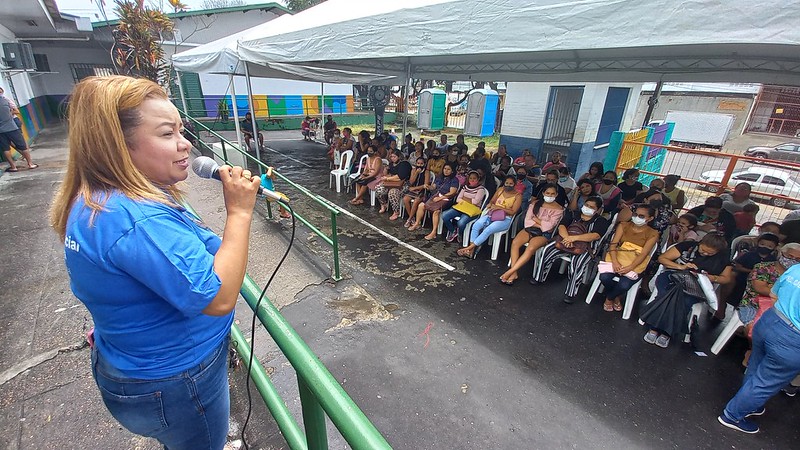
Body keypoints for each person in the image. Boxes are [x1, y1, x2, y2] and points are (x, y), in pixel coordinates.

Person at [49, 76, 258, 449]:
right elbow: (219, 297)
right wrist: (239, 214)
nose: (185, 144)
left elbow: (191, 243)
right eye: (167, 134)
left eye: (181, 130)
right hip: (177, 380)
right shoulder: (138, 219)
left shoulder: (100, 198)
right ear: (117, 144)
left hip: (130, 368)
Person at [718, 262, 800, 434]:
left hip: (769, 321)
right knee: (766, 381)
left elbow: (773, 294)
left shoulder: (796, 269)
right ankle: (732, 415)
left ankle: (751, 405)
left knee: (756, 366)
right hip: (792, 338)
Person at [641, 233, 733, 348]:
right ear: (701, 243)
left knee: (686, 301)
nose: (705, 254)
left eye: (710, 253)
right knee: (667, 294)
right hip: (673, 276)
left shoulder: (722, 259)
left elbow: (726, 278)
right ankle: (659, 330)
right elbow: (662, 258)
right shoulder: (687, 246)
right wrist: (681, 267)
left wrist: (712, 277)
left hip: (696, 286)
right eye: (703, 250)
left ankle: (661, 331)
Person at [530, 196, 609, 303]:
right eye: (586, 205)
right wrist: (567, 238)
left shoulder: (600, 221)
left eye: (591, 207)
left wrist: (574, 238)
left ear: (598, 210)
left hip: (585, 247)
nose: (587, 208)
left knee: (578, 264)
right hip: (564, 240)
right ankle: (538, 277)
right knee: (547, 250)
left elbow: (595, 236)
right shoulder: (573, 214)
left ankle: (570, 293)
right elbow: (561, 226)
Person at [736, 244, 800, 366]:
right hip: (752, 304)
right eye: (790, 257)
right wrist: (786, 292)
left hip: (779, 310)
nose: (793, 261)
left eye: (798, 260)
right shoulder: (762, 267)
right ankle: (753, 351)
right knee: (753, 328)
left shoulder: (795, 275)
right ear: (781, 253)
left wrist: (775, 290)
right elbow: (760, 288)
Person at [499, 184, 565, 285]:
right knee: (515, 243)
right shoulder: (535, 204)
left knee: (530, 248)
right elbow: (527, 221)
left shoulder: (559, 209)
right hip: (530, 229)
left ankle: (510, 272)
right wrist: (541, 222)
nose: (550, 195)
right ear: (543, 193)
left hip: (544, 234)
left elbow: (550, 227)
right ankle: (514, 272)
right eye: (547, 193)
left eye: (552, 194)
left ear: (556, 195)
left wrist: (536, 219)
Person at [598, 205, 659, 312]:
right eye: (635, 214)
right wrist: (615, 262)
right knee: (605, 278)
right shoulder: (623, 225)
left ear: (650, 218)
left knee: (624, 285)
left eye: (641, 216)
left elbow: (644, 254)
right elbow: (613, 245)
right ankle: (616, 297)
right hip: (617, 257)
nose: (636, 217)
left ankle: (609, 298)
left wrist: (629, 267)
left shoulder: (653, 234)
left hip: (635, 262)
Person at [457, 176, 522, 259]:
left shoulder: (518, 196)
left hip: (505, 218)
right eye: (507, 183)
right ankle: (471, 252)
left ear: (514, 185)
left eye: (511, 184)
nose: (508, 185)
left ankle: (469, 248)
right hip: (492, 214)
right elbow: (492, 201)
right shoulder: (500, 190)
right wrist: (490, 204)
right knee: (476, 225)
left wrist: (500, 208)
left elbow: (513, 212)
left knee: (488, 229)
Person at [722, 233, 780, 319]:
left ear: (775, 248)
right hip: (742, 280)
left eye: (769, 246)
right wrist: (752, 271)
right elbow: (738, 266)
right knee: (736, 299)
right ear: (758, 243)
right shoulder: (749, 255)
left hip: (759, 286)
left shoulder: (773, 261)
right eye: (762, 244)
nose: (765, 247)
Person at [408, 163, 459, 239]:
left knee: (436, 212)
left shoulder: (454, 180)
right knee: (421, 205)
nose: (446, 171)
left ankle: (434, 232)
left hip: (446, 199)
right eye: (445, 169)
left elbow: (452, 192)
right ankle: (416, 223)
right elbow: (433, 187)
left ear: (452, 171)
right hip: (436, 197)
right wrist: (428, 186)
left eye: (448, 169)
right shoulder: (440, 177)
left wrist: (440, 198)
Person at [442, 170, 486, 243]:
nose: (472, 180)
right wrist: (469, 200)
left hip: (472, 210)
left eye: (474, 178)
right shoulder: (465, 187)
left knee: (461, 223)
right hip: (461, 207)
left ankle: (460, 233)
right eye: (470, 178)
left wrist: (464, 198)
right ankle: (453, 231)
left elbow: (475, 202)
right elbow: (458, 199)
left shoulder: (481, 189)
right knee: (444, 215)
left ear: (478, 179)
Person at [1, 93, 37, 172]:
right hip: (12, 128)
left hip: (1, 131)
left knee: (6, 149)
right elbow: (12, 113)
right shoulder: (4, 101)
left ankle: (13, 167)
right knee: (23, 146)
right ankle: (30, 164)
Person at [376, 150, 412, 216]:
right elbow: (385, 174)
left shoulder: (404, 164)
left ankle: (396, 211)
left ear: (399, 156)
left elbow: (400, 177)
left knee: (392, 192)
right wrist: (386, 169)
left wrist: (387, 178)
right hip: (391, 183)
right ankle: (383, 204)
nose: (393, 158)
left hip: (403, 184)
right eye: (391, 157)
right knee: (379, 188)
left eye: (394, 156)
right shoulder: (391, 164)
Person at [402, 157, 431, 225]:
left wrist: (415, 188)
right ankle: (412, 218)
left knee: (416, 201)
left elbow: (425, 185)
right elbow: (411, 182)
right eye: (418, 163)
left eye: (421, 164)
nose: (419, 165)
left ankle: (409, 219)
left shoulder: (427, 172)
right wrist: (416, 173)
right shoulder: (413, 170)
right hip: (413, 191)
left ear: (424, 164)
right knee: (405, 199)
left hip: (422, 191)